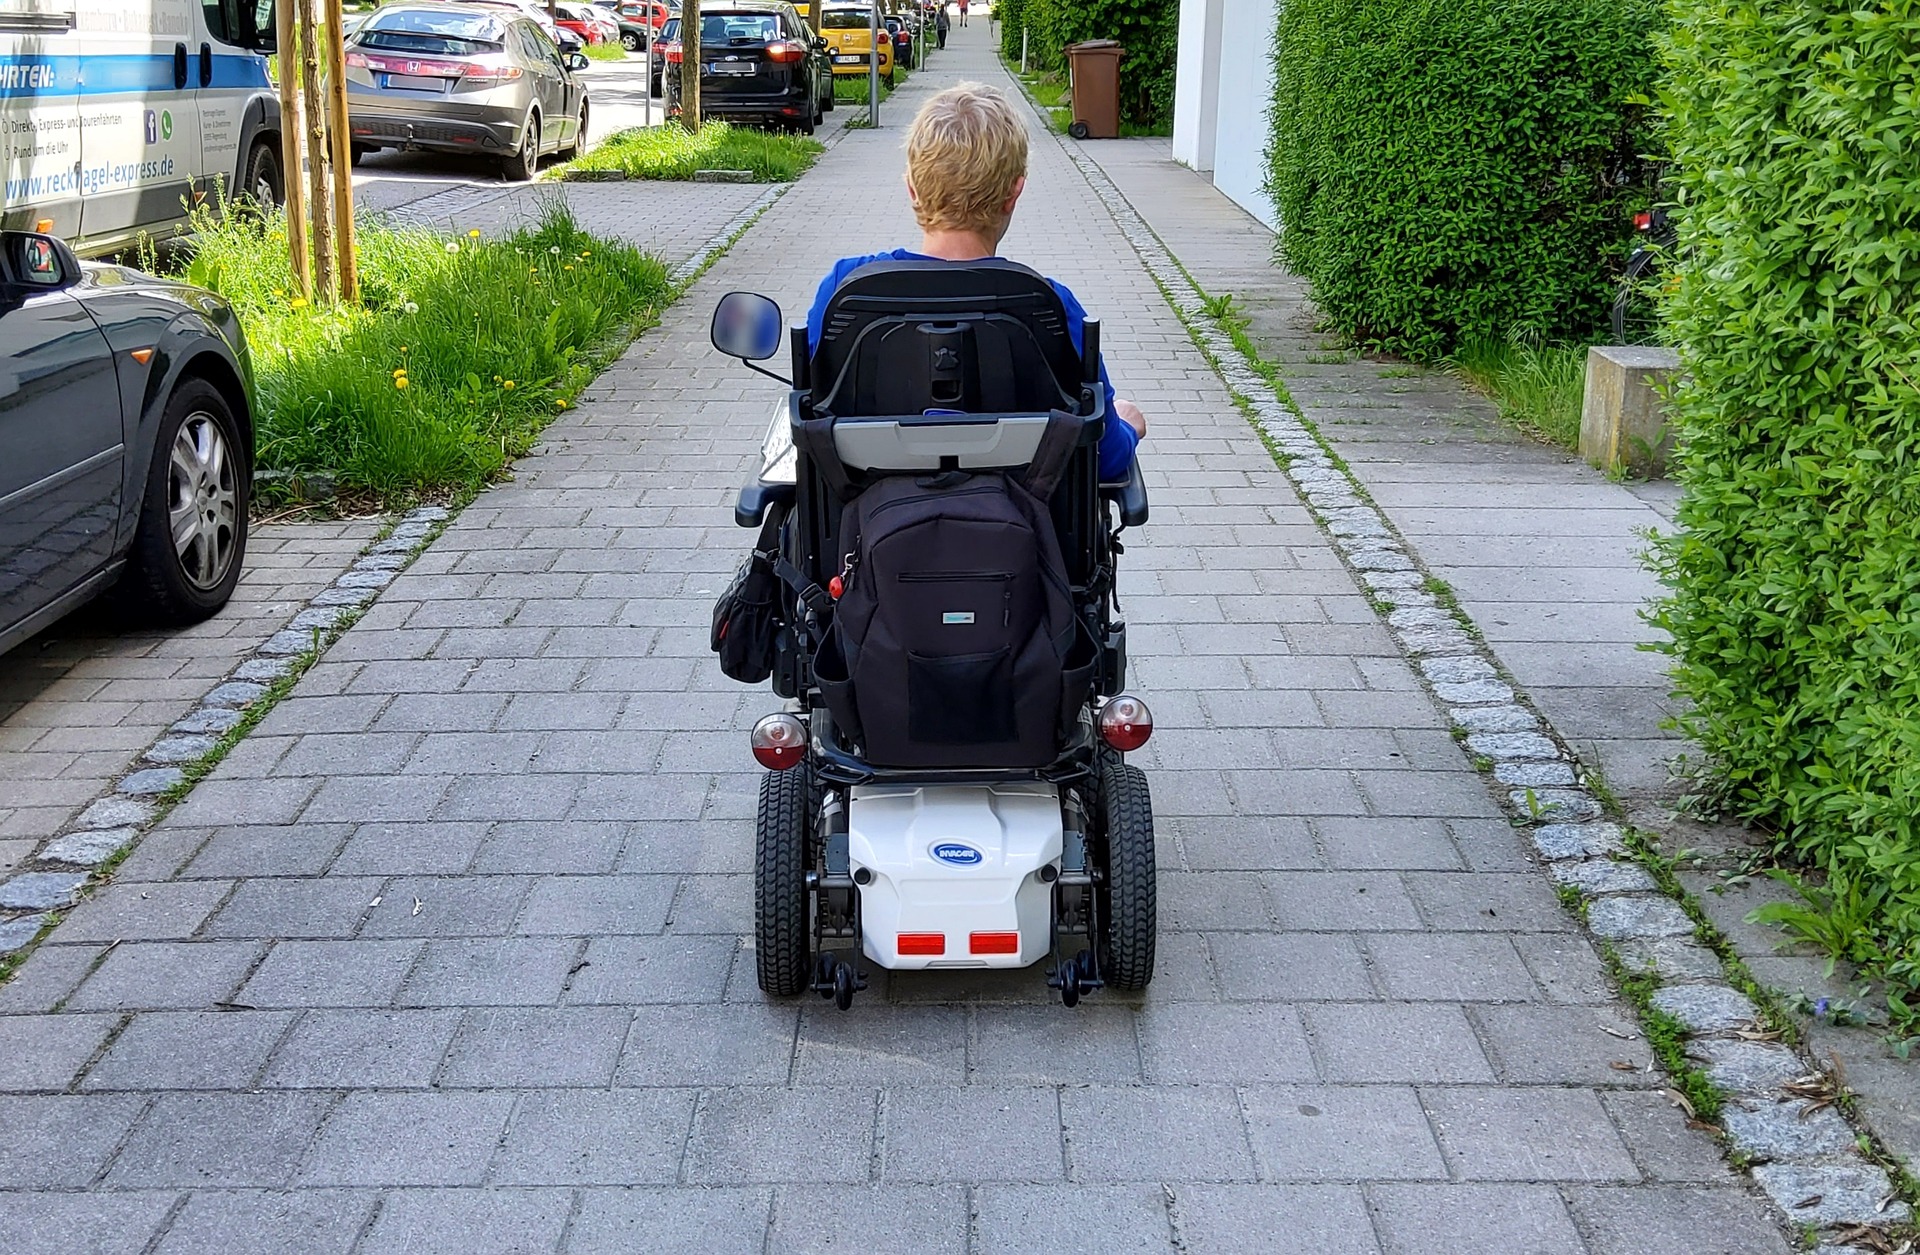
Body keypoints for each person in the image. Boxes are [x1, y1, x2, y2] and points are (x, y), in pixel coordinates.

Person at [807, 82, 1146, 480]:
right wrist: (1128, 426)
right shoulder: (1050, 306)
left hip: (864, 534)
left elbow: (813, 425)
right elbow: (1104, 460)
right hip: (1021, 533)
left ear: (912, 189)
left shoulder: (845, 290)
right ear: (1014, 193)